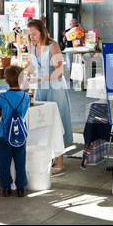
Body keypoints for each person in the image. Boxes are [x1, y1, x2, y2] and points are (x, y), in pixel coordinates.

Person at [27, 19, 73, 173]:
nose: (32, 37)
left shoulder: (53, 46)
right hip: (41, 88)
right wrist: (26, 76)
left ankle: (60, 162)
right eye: (30, 35)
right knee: (43, 121)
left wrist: (38, 79)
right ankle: (49, 158)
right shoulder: (33, 47)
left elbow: (59, 72)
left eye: (34, 34)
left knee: (56, 121)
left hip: (55, 87)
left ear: (42, 31)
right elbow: (31, 66)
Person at [0, 65, 29, 197]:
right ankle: (21, 187)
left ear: (6, 81)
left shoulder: (2, 97)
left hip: (4, 134)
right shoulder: (26, 96)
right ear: (21, 80)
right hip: (20, 134)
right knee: (20, 161)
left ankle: (6, 188)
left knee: (4, 162)